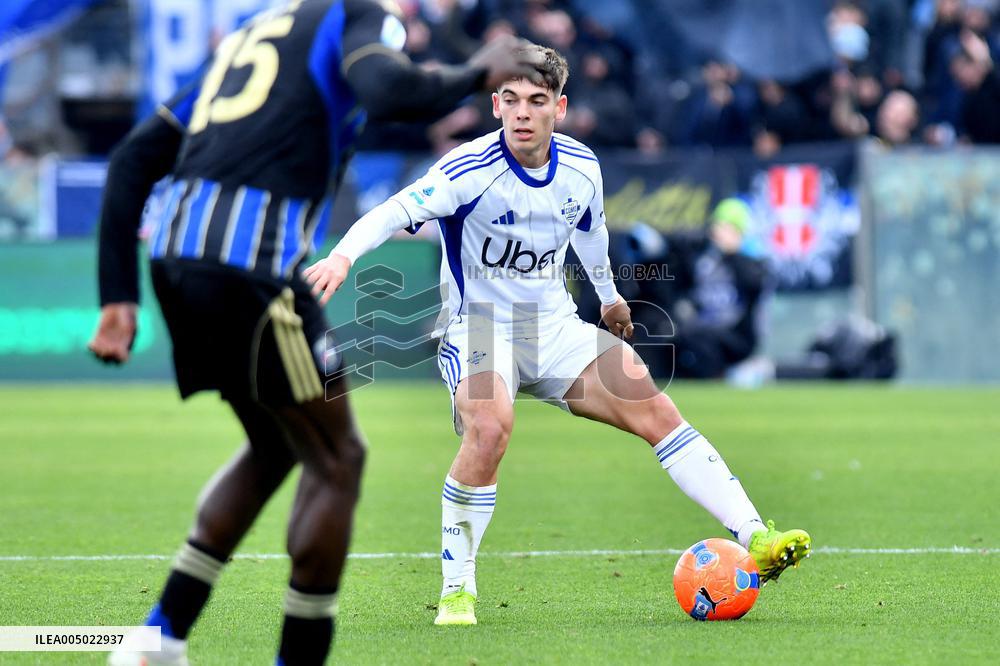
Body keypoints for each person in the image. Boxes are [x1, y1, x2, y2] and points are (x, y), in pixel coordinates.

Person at [88, 1, 544, 663]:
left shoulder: (256, 34)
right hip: (252, 265)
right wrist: (479, 69)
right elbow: (389, 90)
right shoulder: (358, 15)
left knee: (277, 445)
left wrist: (118, 296)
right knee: (339, 460)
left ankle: (159, 638)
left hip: (177, 257)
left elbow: (134, 158)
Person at [305, 42, 811, 627]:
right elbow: (393, 211)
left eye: (536, 101)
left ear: (560, 107)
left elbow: (590, 234)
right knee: (491, 428)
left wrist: (612, 297)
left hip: (553, 326)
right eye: (511, 100)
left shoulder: (580, 168)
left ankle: (755, 535)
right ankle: (457, 589)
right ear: (495, 105)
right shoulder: (466, 171)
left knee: (657, 410)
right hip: (479, 327)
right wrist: (341, 258)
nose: (522, 112)